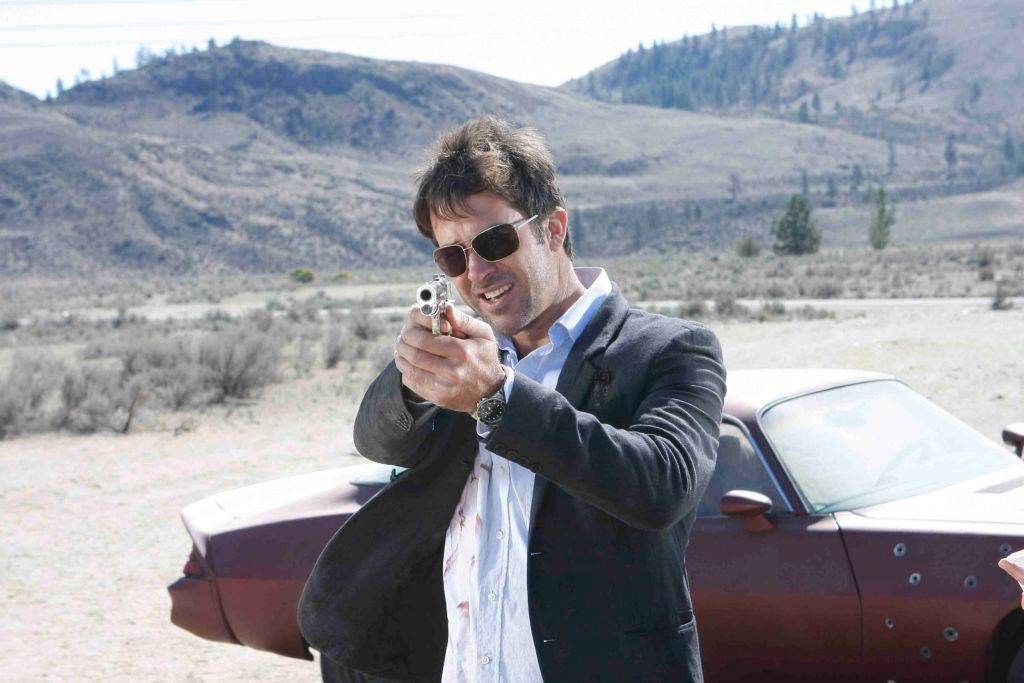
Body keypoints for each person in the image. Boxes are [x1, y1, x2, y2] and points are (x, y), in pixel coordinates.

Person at [299, 116, 726, 683]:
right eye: (453, 257)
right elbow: (377, 440)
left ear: (553, 228)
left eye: (494, 241)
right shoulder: (470, 351)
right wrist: (413, 379)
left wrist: (496, 396)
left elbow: (661, 486)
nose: (477, 271)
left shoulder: (672, 348)